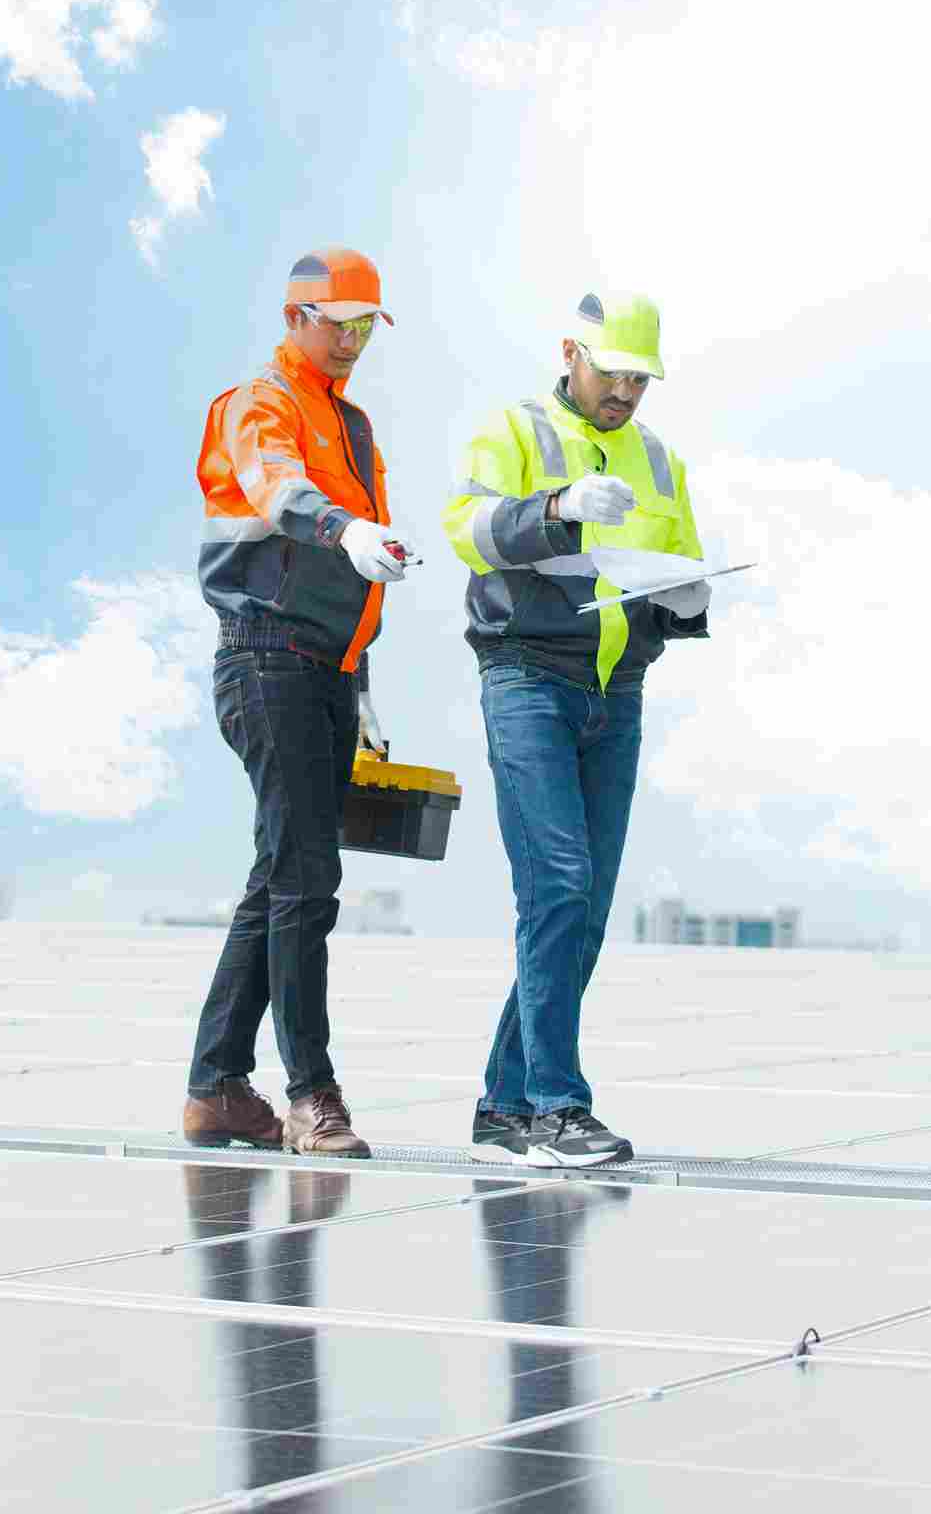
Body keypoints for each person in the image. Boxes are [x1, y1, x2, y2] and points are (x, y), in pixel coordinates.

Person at [443, 290, 709, 1168]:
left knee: (582, 908)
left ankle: (503, 1108)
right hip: (527, 678)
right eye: (613, 372)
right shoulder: (514, 429)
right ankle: (557, 1108)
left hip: (614, 692)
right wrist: (554, 507)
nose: (626, 393)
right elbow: (467, 531)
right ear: (570, 352)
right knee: (555, 887)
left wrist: (687, 601)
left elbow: (673, 566)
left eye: (641, 379)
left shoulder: (661, 463)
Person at [184, 247, 413, 1159]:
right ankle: (311, 1095)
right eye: (337, 322)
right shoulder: (258, 402)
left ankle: (216, 1089)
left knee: (279, 878)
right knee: (306, 882)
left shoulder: (352, 423)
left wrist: (361, 687)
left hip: (325, 667)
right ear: (293, 319)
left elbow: (355, 573)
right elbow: (279, 488)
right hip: (265, 654)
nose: (352, 339)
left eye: (365, 325)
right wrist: (344, 526)